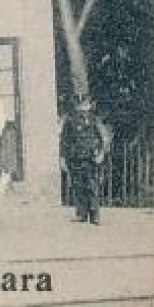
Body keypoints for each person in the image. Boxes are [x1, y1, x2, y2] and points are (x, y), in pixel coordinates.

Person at [60, 93, 112, 225]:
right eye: (80, 105)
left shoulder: (95, 120)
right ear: (76, 106)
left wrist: (101, 154)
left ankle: (95, 216)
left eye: (85, 104)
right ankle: (81, 214)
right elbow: (64, 140)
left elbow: (104, 138)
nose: (82, 107)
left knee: (92, 186)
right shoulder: (70, 120)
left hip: (91, 158)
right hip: (75, 157)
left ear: (89, 105)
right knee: (77, 186)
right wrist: (62, 159)